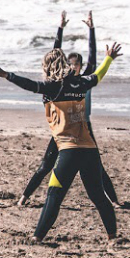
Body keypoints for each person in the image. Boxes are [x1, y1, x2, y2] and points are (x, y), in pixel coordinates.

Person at [0, 42, 122, 242]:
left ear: (49, 67)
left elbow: (31, 86)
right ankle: (113, 236)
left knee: (54, 195)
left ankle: (37, 238)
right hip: (90, 149)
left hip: (69, 150)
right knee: (98, 196)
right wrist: (109, 58)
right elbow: (99, 75)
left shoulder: (54, 87)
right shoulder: (81, 83)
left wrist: (7, 75)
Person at [18, 11, 119, 207]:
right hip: (62, 129)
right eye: (69, 65)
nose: (73, 68)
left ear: (81, 66)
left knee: (98, 166)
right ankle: (23, 198)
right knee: (46, 166)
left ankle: (114, 201)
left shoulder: (84, 80)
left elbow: (93, 56)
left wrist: (91, 29)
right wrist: (60, 29)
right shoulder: (58, 81)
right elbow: (54, 55)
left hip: (83, 127)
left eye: (76, 65)